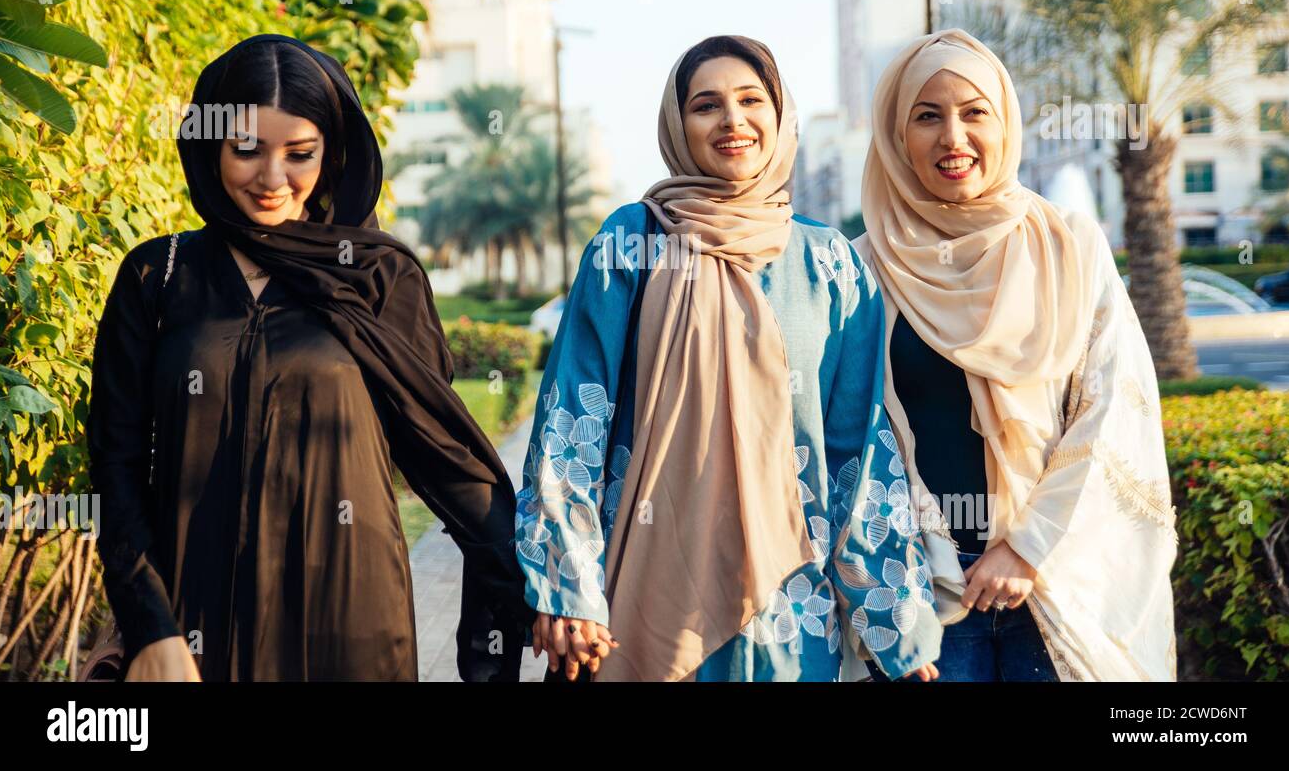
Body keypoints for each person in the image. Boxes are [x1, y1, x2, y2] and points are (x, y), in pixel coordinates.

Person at [87, 34, 528, 681]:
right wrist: (150, 622)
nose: (272, 179)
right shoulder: (159, 275)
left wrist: (541, 589)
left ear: (334, 151)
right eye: (247, 150)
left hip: (350, 619)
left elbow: (445, 455)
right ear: (211, 147)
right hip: (193, 626)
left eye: (300, 154)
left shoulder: (377, 277)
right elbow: (115, 462)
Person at [516, 35, 942, 682]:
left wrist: (898, 630)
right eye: (706, 105)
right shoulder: (629, 243)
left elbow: (860, 455)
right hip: (637, 606)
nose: (732, 120)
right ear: (678, 124)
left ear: (779, 115)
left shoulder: (831, 265)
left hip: (792, 620)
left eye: (751, 100)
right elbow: (571, 422)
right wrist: (564, 586)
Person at [854, 28, 1178, 681]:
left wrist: (1025, 548)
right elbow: (849, 439)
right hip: (922, 596)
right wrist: (906, 579)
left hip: (1054, 584)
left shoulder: (1071, 247)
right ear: (895, 136)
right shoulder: (861, 269)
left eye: (975, 112)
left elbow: (1111, 409)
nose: (953, 136)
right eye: (926, 115)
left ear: (1006, 125)